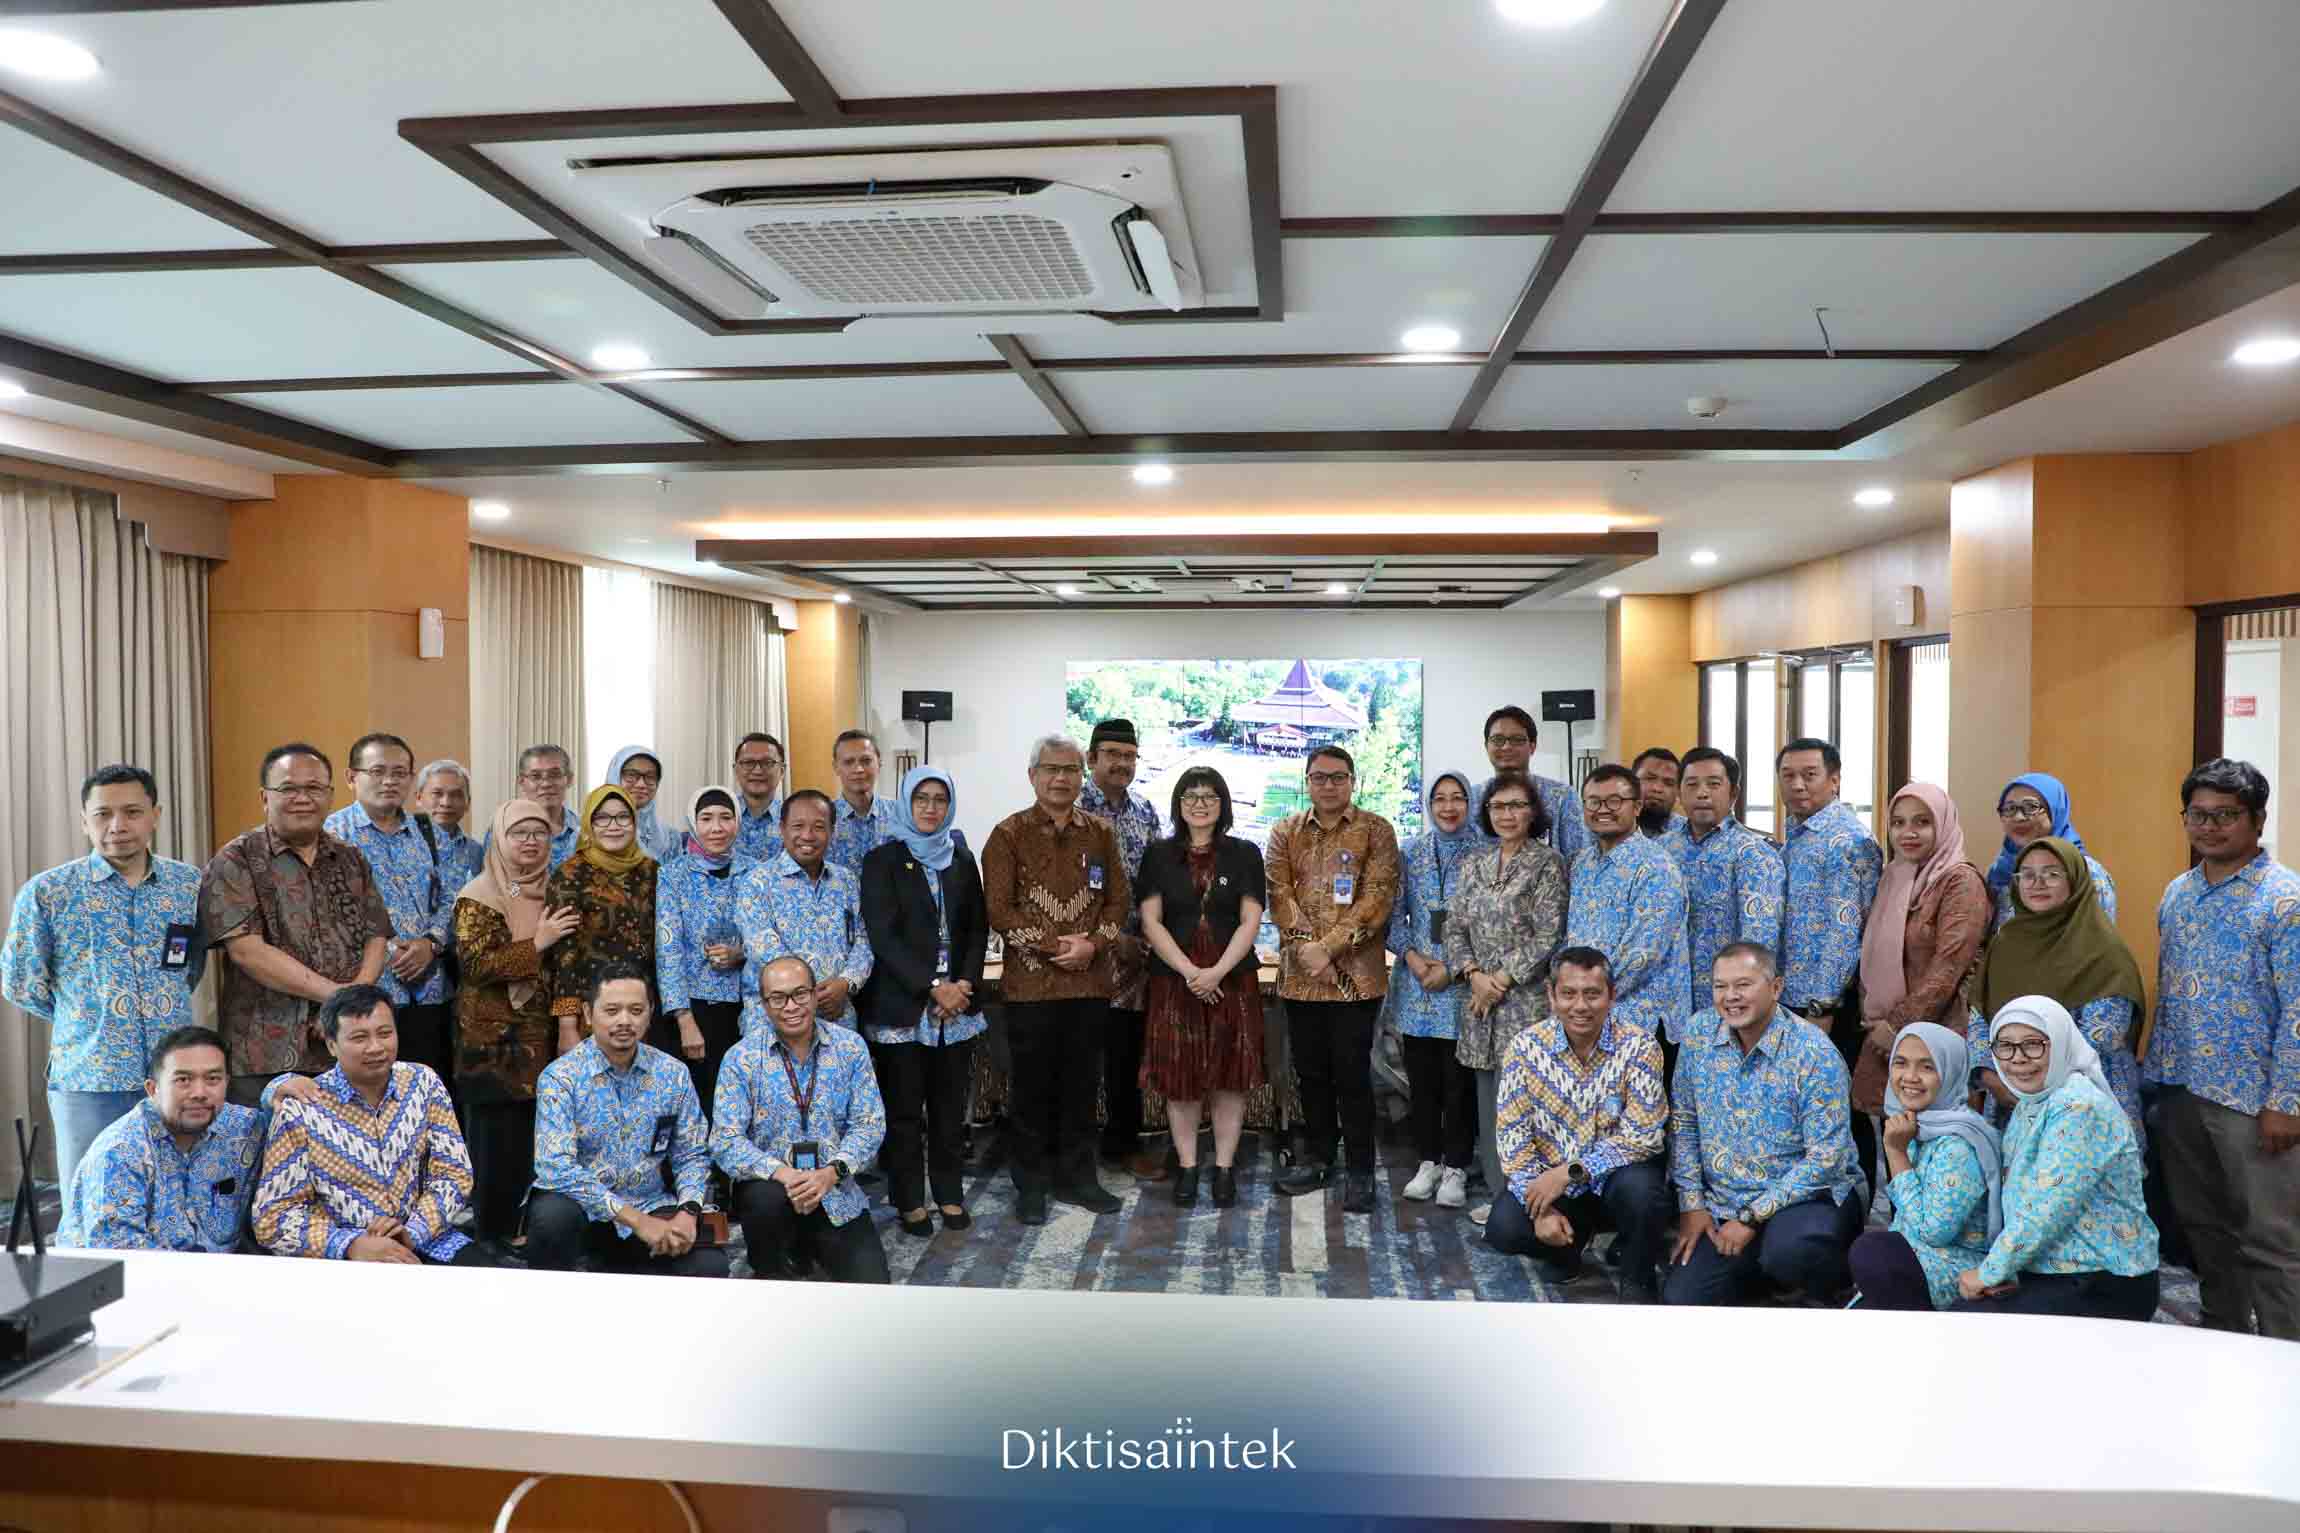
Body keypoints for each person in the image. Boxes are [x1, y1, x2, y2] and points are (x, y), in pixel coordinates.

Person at [2148, 757, 2300, 1338]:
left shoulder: (2283, 900)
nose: (2209, 827)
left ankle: (2285, 1356)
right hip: (2181, 1089)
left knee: (2272, 1241)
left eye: (2225, 815)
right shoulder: (2178, 893)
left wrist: (2287, 1101)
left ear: (2257, 819)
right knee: (2206, 1234)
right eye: (2198, 815)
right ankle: (2224, 1342)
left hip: (2254, 1101)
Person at [3, 764, 204, 1193]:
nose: (118, 826)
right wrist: (88, 1015)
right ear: (84, 821)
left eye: (132, 812)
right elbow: (21, 982)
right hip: (90, 1079)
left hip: (175, 1077)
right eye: (103, 814)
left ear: (155, 815)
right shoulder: (48, 892)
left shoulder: (189, 886)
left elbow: (192, 967)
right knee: (91, 1199)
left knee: (173, 1197)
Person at [981, 735, 1133, 1223]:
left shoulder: (1101, 833)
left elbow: (1118, 900)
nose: (1061, 778)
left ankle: (1079, 1178)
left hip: (1090, 985)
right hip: (1030, 988)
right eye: (1051, 769)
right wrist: (1055, 948)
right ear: (1033, 776)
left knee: (1083, 1087)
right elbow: (999, 910)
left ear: (1081, 776)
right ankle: (1031, 1185)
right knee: (1030, 1090)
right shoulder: (1007, 835)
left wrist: (1093, 945)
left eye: (1070, 769)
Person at [1665, 943, 1864, 1306]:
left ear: (1776, 987)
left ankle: (1826, 1285)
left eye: (1743, 985)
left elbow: (1826, 1159)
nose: (1730, 997)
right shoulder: (1698, 1033)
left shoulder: (1814, 1052)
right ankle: (1757, 1277)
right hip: (1725, 1202)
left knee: (1792, 1253)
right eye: (1720, 986)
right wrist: (1691, 1205)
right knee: (1683, 1298)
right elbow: (1684, 1121)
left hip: (1807, 1199)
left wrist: (1752, 1217)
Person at [199, 742, 392, 1106]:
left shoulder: (350, 858)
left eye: (314, 788)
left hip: (347, 1051)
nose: (303, 798)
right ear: (265, 797)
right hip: (264, 1055)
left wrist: (349, 1004)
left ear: (330, 795)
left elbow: (377, 935)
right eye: (289, 788)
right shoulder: (236, 859)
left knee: (348, 1142)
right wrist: (339, 1000)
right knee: (267, 1143)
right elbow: (247, 952)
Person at [250, 985, 493, 1265]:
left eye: (385, 1033)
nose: (376, 1047)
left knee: (494, 1281)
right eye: (359, 1037)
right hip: (341, 1257)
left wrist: (413, 1232)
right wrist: (351, 1244)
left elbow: (454, 1173)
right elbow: (272, 1216)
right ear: (331, 1044)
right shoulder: (302, 1107)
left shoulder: (423, 1083)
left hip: (428, 1239)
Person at [1956, 996, 2160, 1320]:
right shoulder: (2033, 1102)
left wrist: (1989, 1272)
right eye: (2005, 1046)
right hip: (2052, 1270)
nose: (2018, 1058)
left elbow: (2046, 1208)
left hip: (2102, 1279)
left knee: (1972, 1324)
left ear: (2061, 1042)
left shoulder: (2079, 1107)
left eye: (2033, 1045)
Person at [1486, 948, 1671, 1301]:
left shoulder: (1640, 1046)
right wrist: (1540, 1211)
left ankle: (1637, 1275)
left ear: (1611, 995)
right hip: (1557, 1189)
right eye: (1568, 994)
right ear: (1551, 995)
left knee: (1644, 1193)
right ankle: (1566, 1249)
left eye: (1592, 994)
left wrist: (1571, 1171)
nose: (1580, 1006)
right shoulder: (1525, 1048)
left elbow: (1644, 1137)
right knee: (1504, 1227)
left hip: (1614, 1181)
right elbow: (1513, 1141)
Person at [527, 963, 728, 1277]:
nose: (624, 1021)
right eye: (612, 1010)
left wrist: (688, 1211)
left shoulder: (672, 1073)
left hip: (650, 1203)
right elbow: (555, 1167)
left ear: (650, 1013)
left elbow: (691, 1154)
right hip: (585, 1211)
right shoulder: (561, 1077)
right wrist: (635, 1220)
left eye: (636, 1010)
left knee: (709, 1266)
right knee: (551, 1218)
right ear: (588, 1014)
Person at [1266, 744, 1401, 1215]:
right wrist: (1309, 949)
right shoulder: (1284, 832)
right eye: (1319, 777)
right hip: (1300, 979)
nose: (1329, 785)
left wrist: (1329, 949)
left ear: (1352, 781)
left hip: (1355, 981)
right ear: (1307, 781)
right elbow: (1279, 895)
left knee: (1352, 1076)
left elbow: (1377, 898)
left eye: (1338, 777)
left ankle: (1361, 1170)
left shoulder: (1377, 830)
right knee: (1311, 1075)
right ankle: (1320, 1159)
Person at [859, 767, 989, 1237]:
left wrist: (964, 984)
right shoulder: (883, 860)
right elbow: (883, 936)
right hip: (905, 1007)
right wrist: (933, 986)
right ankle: (910, 1199)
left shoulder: (961, 857)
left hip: (957, 1009)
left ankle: (949, 1193)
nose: (931, 808)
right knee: (905, 1113)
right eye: (921, 799)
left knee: (949, 1111)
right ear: (905, 803)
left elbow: (977, 928)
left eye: (939, 799)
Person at [1136, 766, 1267, 1209]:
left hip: (1233, 981)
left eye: (1209, 795)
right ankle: (1188, 1166)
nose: (1199, 804)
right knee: (1181, 1080)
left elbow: (1250, 920)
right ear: (1178, 804)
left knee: (1230, 1079)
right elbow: (1151, 921)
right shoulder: (1158, 855)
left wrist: (1216, 972)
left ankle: (1224, 1168)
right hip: (1174, 983)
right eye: (1190, 796)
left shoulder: (1245, 854)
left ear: (1223, 804)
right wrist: (1192, 972)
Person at [713, 955, 890, 1283]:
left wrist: (830, 1173)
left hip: (835, 1191)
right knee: (765, 1204)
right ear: (764, 1004)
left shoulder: (850, 1048)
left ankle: (811, 1248)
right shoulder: (740, 1058)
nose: (791, 1006)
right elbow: (725, 1140)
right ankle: (775, 1264)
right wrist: (784, 1174)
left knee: (873, 1284)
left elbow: (869, 1124)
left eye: (800, 994)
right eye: (778, 998)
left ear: (814, 994)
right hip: (773, 1193)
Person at [1442, 769, 1569, 1224]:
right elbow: (1454, 927)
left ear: (1533, 812)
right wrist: (1474, 975)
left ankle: (1531, 1199)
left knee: (1527, 1102)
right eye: (1498, 806)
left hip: (1524, 1003)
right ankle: (1501, 1198)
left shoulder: (1548, 863)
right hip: (1478, 1003)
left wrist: (1499, 981)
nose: (1507, 814)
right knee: (1489, 1102)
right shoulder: (1474, 863)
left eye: (1516, 805)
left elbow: (1548, 934)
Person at [451, 798, 581, 1242]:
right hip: (491, 1048)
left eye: (539, 832)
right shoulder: (478, 895)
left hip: (544, 1042)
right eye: (518, 832)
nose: (530, 841)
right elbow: (475, 966)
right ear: (499, 839)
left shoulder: (558, 891)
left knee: (535, 1148)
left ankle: (528, 1237)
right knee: (494, 1153)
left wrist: (567, 1025)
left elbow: (569, 968)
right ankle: (491, 1241)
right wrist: (537, 942)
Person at [1851, 783, 1988, 1186]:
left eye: (1922, 822)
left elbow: (1949, 966)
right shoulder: (1895, 877)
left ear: (1942, 824)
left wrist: (1897, 1026)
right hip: (1884, 1035)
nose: (1908, 832)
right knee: (1897, 1150)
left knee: (1938, 1161)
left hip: (1936, 1035)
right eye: (1898, 823)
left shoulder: (1960, 881)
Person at [1971, 837, 2147, 1146]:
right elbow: (1979, 1015)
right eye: (2027, 874)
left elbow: (2101, 1036)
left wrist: (2029, 1079)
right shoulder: (2005, 944)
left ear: (2075, 881)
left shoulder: (2104, 951)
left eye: (2052, 873)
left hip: (2083, 1103)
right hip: (2010, 1099)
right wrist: (1991, 1077)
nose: (2037, 883)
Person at [56, 1025, 263, 1253]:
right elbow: (119, 1251)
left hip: (221, 1268)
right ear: (153, 1089)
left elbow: (286, 1124)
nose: (199, 1093)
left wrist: (276, 1089)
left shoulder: (243, 1128)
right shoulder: (120, 1152)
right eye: (183, 1080)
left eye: (213, 1079)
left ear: (226, 1083)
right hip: (132, 1272)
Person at [325, 732, 455, 1086]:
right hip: (362, 994)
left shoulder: (430, 832)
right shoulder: (330, 835)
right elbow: (327, 912)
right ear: (351, 777)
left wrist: (432, 943)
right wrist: (390, 948)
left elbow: (453, 896)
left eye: (399, 773)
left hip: (429, 992)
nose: (389, 781)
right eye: (378, 771)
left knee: (424, 1090)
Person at [1845, 1023, 2001, 1310]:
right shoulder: (1917, 1124)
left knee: (1871, 1252)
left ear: (1951, 1072)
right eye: (1901, 1063)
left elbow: (1934, 1233)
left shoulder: (1958, 1144)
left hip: (1955, 1271)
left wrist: (1896, 1153)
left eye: (1927, 1067)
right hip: (1919, 1261)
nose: (1910, 1077)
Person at [1077, 717, 1169, 1184]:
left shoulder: (1145, 812)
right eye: (1112, 754)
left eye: (1130, 756)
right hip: (1080, 960)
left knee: (1124, 1058)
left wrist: (1150, 938)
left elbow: (1156, 883)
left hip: (1135, 963)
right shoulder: (1071, 809)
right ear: (1091, 758)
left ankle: (1123, 1146)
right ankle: (1070, 1152)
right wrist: (1113, 939)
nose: (1122, 764)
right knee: (1076, 1058)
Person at [1659, 747, 1783, 1079]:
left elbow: (1759, 942)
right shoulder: (1661, 850)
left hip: (1726, 1006)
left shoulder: (1753, 853)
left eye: (1714, 784)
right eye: (1692, 784)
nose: (1702, 793)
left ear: (1733, 793)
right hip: (1667, 1008)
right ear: (1679, 792)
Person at [1776, 737, 1883, 1114]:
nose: (1797, 785)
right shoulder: (1799, 834)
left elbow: (1846, 931)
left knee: (1835, 1106)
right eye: (1788, 775)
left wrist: (1822, 1007)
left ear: (1834, 780)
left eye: (1809, 775)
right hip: (1792, 995)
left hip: (1829, 1005)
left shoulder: (1848, 839)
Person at [1386, 769, 1477, 1207]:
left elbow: (1490, 926)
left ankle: (1457, 1167)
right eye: (1440, 798)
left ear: (1470, 803)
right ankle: (1428, 1161)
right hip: (1417, 983)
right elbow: (1393, 917)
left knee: (1459, 1083)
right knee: (1421, 1082)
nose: (1448, 806)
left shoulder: (1486, 853)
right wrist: (1413, 959)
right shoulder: (1411, 852)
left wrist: (1454, 969)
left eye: (1457, 797)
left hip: (1464, 984)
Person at [1565, 763, 1691, 1048]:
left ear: (1637, 806)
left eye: (1614, 801)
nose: (1603, 810)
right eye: (1593, 802)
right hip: (1586, 1015)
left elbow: (1642, 954)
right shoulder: (1582, 862)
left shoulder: (1656, 867)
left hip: (1639, 1020)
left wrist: (1584, 996)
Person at [655, 785, 760, 1115]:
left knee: (745, 1101)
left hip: (751, 1006)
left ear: (737, 822)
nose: (717, 827)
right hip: (696, 1010)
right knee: (701, 1103)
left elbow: (769, 935)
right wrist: (684, 1019)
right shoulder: (673, 875)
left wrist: (742, 954)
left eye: (726, 817)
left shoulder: (756, 872)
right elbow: (668, 949)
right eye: (706, 818)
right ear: (693, 822)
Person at [734, 790, 873, 1036]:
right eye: (798, 826)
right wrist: (808, 993)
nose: (807, 835)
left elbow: (863, 941)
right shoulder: (757, 882)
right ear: (782, 829)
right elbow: (763, 947)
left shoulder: (846, 881)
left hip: (837, 1017)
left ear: (832, 830)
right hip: (774, 1019)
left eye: (819, 827)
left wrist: (845, 983)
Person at [542, 784, 659, 1052]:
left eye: (622, 817)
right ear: (589, 824)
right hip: (591, 1011)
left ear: (634, 822)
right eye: (602, 818)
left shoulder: (653, 871)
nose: (613, 826)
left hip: (643, 1007)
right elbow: (564, 955)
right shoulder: (570, 875)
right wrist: (567, 1025)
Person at [1985, 772, 2117, 928]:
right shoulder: (2000, 871)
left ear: (2055, 811)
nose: (2018, 817)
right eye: (2010, 808)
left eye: (2031, 807)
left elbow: (2095, 937)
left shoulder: (2085, 872)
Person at [1474, 706, 1587, 863]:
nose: (1506, 746)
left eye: (1517, 740)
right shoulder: (1472, 798)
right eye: (1498, 740)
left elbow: (1578, 860)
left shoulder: (1562, 797)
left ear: (1532, 746)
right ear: (1486, 746)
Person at [828, 729, 903, 878]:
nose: (858, 769)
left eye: (866, 761)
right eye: (849, 762)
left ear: (879, 763)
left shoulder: (900, 814)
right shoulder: (823, 817)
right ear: (836, 767)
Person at [500, 744, 579, 871]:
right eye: (535, 776)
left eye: (554, 775)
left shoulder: (586, 832)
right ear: (521, 782)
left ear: (569, 779)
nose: (546, 784)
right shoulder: (503, 830)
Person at [413, 758, 486, 890]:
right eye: (437, 794)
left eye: (456, 795)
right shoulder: (399, 845)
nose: (446, 803)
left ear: (468, 803)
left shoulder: (477, 852)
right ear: (418, 798)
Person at [605, 744, 679, 863]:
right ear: (615, 776)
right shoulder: (591, 832)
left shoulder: (670, 837)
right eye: (631, 775)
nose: (641, 784)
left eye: (650, 777)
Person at [730, 732, 787, 862]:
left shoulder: (794, 819)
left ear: (782, 771)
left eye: (767, 763)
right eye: (748, 762)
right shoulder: (716, 818)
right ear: (736, 770)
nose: (757, 770)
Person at [1630, 748, 1685, 839]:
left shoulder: (1688, 833)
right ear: (1631, 782)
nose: (1657, 788)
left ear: (1678, 791)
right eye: (1650, 778)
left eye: (1668, 783)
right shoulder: (1609, 826)